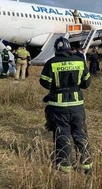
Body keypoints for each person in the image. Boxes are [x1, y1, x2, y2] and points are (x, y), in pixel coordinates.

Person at [40, 36, 92, 173]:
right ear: (69, 48)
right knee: (80, 134)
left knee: (62, 135)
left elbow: (44, 82)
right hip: (77, 105)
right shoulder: (80, 62)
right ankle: (86, 166)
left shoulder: (51, 63)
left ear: (56, 49)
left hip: (58, 105)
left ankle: (64, 167)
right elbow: (86, 83)